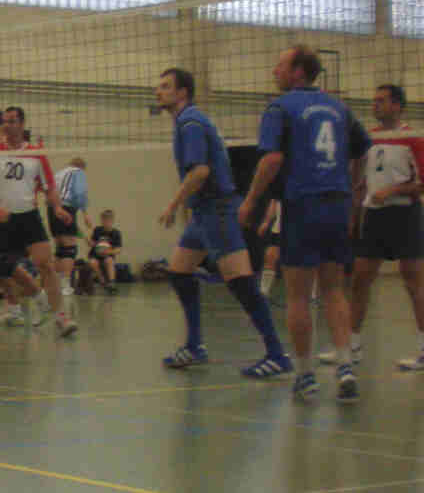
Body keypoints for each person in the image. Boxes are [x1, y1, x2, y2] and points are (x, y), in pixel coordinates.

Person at [240, 46, 370, 402]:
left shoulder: (280, 107)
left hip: (303, 203)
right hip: (337, 202)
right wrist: (353, 187)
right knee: (333, 289)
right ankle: (345, 367)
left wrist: (250, 201)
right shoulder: (340, 108)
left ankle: (305, 376)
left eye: (280, 65)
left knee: (298, 294)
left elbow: (272, 160)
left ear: (298, 71)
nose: (274, 71)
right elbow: (362, 150)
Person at [158, 67, 291, 380]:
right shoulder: (188, 120)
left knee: (241, 283)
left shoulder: (190, 123)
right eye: (159, 86)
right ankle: (194, 346)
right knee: (179, 271)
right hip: (205, 211)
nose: (158, 91)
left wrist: (173, 205)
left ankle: (276, 354)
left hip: (216, 210)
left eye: (165, 86)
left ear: (183, 92)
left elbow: (200, 172)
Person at [310, 84, 424, 370]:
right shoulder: (368, 139)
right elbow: (360, 183)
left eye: (381, 101)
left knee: (413, 282)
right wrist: (352, 217)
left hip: (405, 215)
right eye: (374, 101)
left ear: (397, 105)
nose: (375, 105)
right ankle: (351, 346)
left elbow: (421, 183)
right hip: (374, 217)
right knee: (360, 280)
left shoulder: (413, 138)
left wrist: (394, 190)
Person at [0, 106, 77, 336]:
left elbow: (49, 186)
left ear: (22, 124)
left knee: (46, 264)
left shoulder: (36, 154)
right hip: (1, 218)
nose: (7, 125)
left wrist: (57, 207)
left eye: (12, 121)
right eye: (5, 121)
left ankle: (61, 317)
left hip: (28, 216)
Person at [51, 158, 92, 296]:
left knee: (60, 249)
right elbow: (80, 193)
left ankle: (54, 285)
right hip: (66, 207)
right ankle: (65, 286)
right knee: (70, 248)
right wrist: (85, 213)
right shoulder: (78, 172)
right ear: (82, 167)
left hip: (52, 208)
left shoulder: (58, 174)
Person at [87, 209, 123, 294]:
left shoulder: (116, 233)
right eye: (104, 219)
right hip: (95, 255)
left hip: (107, 255)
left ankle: (112, 283)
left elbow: (118, 249)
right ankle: (102, 281)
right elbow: (92, 243)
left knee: (109, 260)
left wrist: (108, 252)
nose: (106, 221)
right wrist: (90, 242)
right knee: (92, 262)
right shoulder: (97, 230)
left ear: (112, 220)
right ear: (101, 220)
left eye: (108, 219)